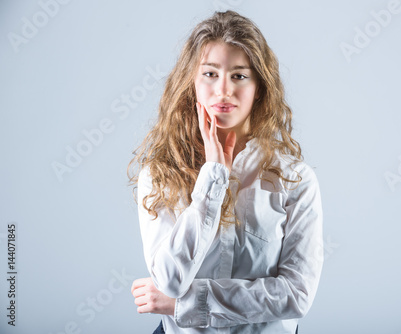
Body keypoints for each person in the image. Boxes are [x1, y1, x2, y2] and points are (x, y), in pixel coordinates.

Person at [128, 10, 324, 333]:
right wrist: (213, 178)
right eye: (209, 74)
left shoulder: (296, 180)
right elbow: (169, 279)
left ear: (259, 87)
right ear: (192, 82)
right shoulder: (159, 174)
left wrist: (186, 304)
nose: (223, 90)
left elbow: (295, 295)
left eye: (238, 75)